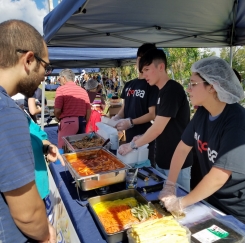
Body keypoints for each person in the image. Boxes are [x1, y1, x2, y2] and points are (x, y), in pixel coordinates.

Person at [159, 56, 245, 223]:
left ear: (212, 86)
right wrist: (170, 185)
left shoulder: (237, 121)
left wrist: (181, 203)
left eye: (193, 83)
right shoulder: (203, 113)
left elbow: (219, 176)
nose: (188, 89)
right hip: (210, 201)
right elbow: (182, 148)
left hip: (236, 211)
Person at [0, 19, 55, 242]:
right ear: (29, 59)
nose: (45, 75)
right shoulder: (6, 112)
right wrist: (46, 235)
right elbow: (28, 214)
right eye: (45, 66)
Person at [118, 48, 193, 191]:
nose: (144, 74)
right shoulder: (160, 91)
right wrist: (142, 137)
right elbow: (162, 126)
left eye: (147, 69)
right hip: (163, 160)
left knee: (179, 206)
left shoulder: (172, 90)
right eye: (142, 70)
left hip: (177, 163)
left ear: (161, 67)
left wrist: (132, 145)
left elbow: (157, 128)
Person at [113, 43, 159, 165]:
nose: (143, 63)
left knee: (145, 169)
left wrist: (131, 122)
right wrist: (117, 118)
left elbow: (152, 114)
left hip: (146, 137)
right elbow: (124, 107)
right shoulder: (129, 84)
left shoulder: (152, 86)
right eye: (141, 59)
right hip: (129, 137)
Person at [54, 69, 91, 148]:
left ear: (63, 78)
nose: (59, 81)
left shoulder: (61, 89)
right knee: (81, 148)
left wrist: (59, 118)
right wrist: (84, 122)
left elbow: (57, 111)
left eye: (60, 79)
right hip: (82, 121)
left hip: (68, 122)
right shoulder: (83, 91)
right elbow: (88, 110)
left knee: (64, 149)